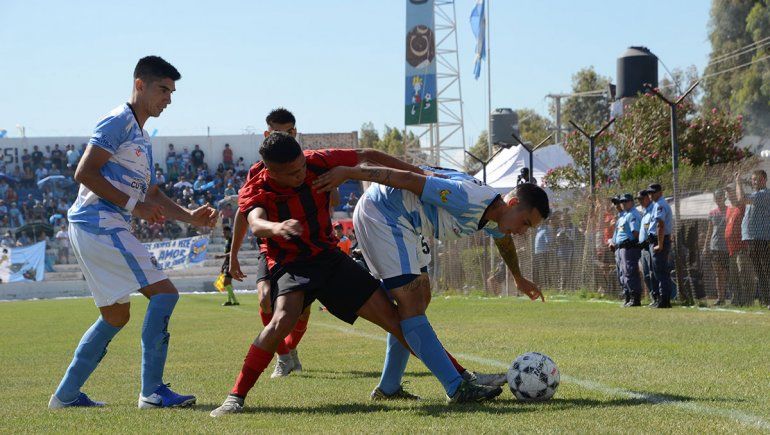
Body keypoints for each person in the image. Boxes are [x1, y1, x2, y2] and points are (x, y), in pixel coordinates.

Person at [210, 132, 502, 418]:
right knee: (282, 319)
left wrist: (419, 174)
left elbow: (368, 155)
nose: (301, 175)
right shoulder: (256, 185)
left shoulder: (317, 161)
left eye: (302, 167)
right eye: (292, 173)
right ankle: (235, 397)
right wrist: (278, 228)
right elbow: (256, 223)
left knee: (398, 322)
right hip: (291, 262)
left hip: (329, 258)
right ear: (272, 172)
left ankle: (460, 380)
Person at [49, 56, 218, 410]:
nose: (168, 99)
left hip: (96, 226)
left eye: (171, 92)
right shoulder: (119, 120)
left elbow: (152, 194)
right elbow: (85, 172)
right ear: (139, 84)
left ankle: (65, 396)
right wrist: (133, 206)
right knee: (165, 295)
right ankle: (152, 393)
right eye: (163, 89)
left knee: (116, 315)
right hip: (99, 223)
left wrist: (191, 217)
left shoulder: (141, 136)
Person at [311, 160, 548, 403]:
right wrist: (349, 172)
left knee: (420, 300)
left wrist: (518, 278)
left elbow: (503, 242)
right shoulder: (467, 198)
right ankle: (456, 387)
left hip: (409, 224)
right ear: (513, 204)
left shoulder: (496, 215)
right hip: (383, 212)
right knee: (411, 305)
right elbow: (408, 179)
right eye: (526, 223)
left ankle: (389, 387)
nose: (523, 232)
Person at [227, 109, 312, 380]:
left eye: (290, 132)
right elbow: (244, 212)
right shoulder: (256, 173)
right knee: (264, 299)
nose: (286, 136)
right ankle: (284, 356)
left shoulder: (309, 164)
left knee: (301, 309)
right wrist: (233, 256)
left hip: (303, 246)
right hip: (270, 246)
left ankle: (290, 352)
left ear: (295, 132)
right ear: (267, 135)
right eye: (278, 132)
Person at [735, 170, 770, 309]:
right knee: (759, 271)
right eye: (753, 179)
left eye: (757, 179)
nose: (754, 182)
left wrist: (738, 182)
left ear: (764, 180)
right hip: (751, 238)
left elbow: (741, 199)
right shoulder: (755, 195)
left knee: (767, 270)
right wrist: (743, 181)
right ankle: (766, 301)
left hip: (762, 238)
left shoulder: (764, 194)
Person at [646, 183, 674, 308]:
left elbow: (660, 225)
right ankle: (661, 299)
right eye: (649, 193)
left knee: (661, 271)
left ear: (660, 192)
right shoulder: (656, 205)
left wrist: (660, 244)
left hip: (659, 241)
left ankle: (664, 300)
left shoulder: (660, 205)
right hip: (656, 240)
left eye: (653, 192)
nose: (650, 195)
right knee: (657, 271)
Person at [615, 194, 642, 307]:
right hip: (621, 247)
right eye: (622, 202)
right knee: (623, 273)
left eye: (625, 201)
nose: (623, 203)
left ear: (631, 201)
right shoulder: (624, 215)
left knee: (630, 272)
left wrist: (631, 242)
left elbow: (635, 232)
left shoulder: (632, 214)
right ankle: (628, 296)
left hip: (629, 247)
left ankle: (635, 298)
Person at [703, 189, 729, 305]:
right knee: (718, 273)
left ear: (724, 198)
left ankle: (733, 295)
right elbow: (709, 230)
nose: (718, 199)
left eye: (720, 197)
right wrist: (706, 246)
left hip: (728, 246)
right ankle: (721, 298)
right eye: (716, 198)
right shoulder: (712, 213)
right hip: (715, 246)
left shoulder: (730, 210)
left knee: (728, 272)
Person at [636, 189, 658, 306]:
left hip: (650, 245)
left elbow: (654, 229)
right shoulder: (644, 212)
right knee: (645, 274)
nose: (639, 201)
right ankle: (653, 296)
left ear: (647, 198)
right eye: (638, 199)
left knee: (652, 272)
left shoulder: (653, 210)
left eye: (641, 199)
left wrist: (647, 241)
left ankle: (657, 297)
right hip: (643, 247)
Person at [216, 225, 240, 306]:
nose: (224, 234)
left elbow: (232, 253)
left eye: (225, 232)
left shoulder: (231, 241)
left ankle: (235, 301)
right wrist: (223, 266)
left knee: (226, 283)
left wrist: (220, 256)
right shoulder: (227, 241)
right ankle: (230, 301)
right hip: (227, 264)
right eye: (223, 233)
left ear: (229, 232)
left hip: (231, 264)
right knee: (228, 283)